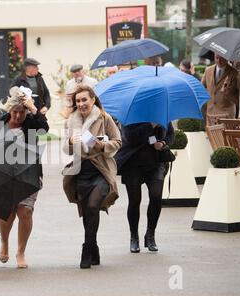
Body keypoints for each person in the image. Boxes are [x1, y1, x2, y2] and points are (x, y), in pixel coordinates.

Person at [0, 86, 49, 268]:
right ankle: (4, 243)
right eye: (14, 112)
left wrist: (33, 108)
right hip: (5, 174)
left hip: (29, 173)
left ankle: (21, 252)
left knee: (25, 211)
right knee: (7, 212)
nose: (17, 116)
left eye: (21, 112)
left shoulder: (31, 122)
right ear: (9, 109)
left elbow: (44, 129)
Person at [62, 85, 121, 268]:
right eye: (77, 101)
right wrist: (70, 142)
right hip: (81, 170)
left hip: (100, 169)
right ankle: (93, 246)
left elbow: (118, 141)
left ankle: (86, 249)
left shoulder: (104, 118)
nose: (81, 104)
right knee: (87, 210)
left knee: (94, 205)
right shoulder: (71, 121)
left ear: (93, 100)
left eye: (84, 100)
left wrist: (102, 145)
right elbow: (66, 148)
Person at [115, 122, 175, 253]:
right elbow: (129, 138)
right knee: (135, 200)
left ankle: (150, 235)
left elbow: (171, 134)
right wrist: (151, 126)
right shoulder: (131, 116)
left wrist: (163, 143)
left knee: (156, 196)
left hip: (156, 161)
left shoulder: (160, 113)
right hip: (133, 162)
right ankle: (134, 237)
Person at [201, 53, 238, 119]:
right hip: (211, 113)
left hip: (226, 113)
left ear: (227, 58)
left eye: (222, 58)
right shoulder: (208, 70)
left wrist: (228, 92)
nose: (219, 60)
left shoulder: (234, 72)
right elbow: (201, 87)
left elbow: (237, 94)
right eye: (217, 58)